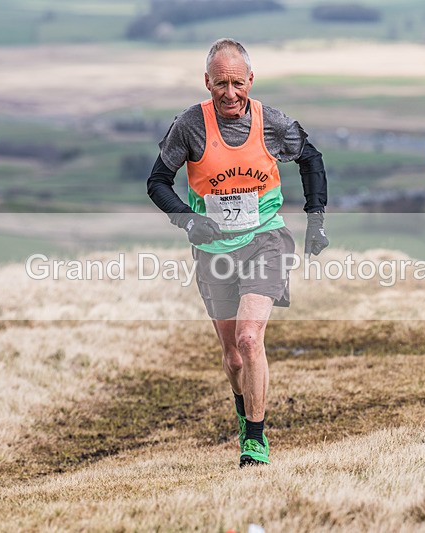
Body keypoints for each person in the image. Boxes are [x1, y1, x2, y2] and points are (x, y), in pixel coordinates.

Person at [146, 38, 329, 467]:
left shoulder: (273, 123)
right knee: (231, 356)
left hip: (265, 239)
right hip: (213, 250)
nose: (230, 93)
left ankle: (255, 440)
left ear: (251, 80)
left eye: (237, 83)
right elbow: (157, 181)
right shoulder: (190, 126)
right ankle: (245, 407)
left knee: (250, 338)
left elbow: (311, 158)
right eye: (220, 84)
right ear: (207, 82)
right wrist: (187, 219)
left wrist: (315, 218)